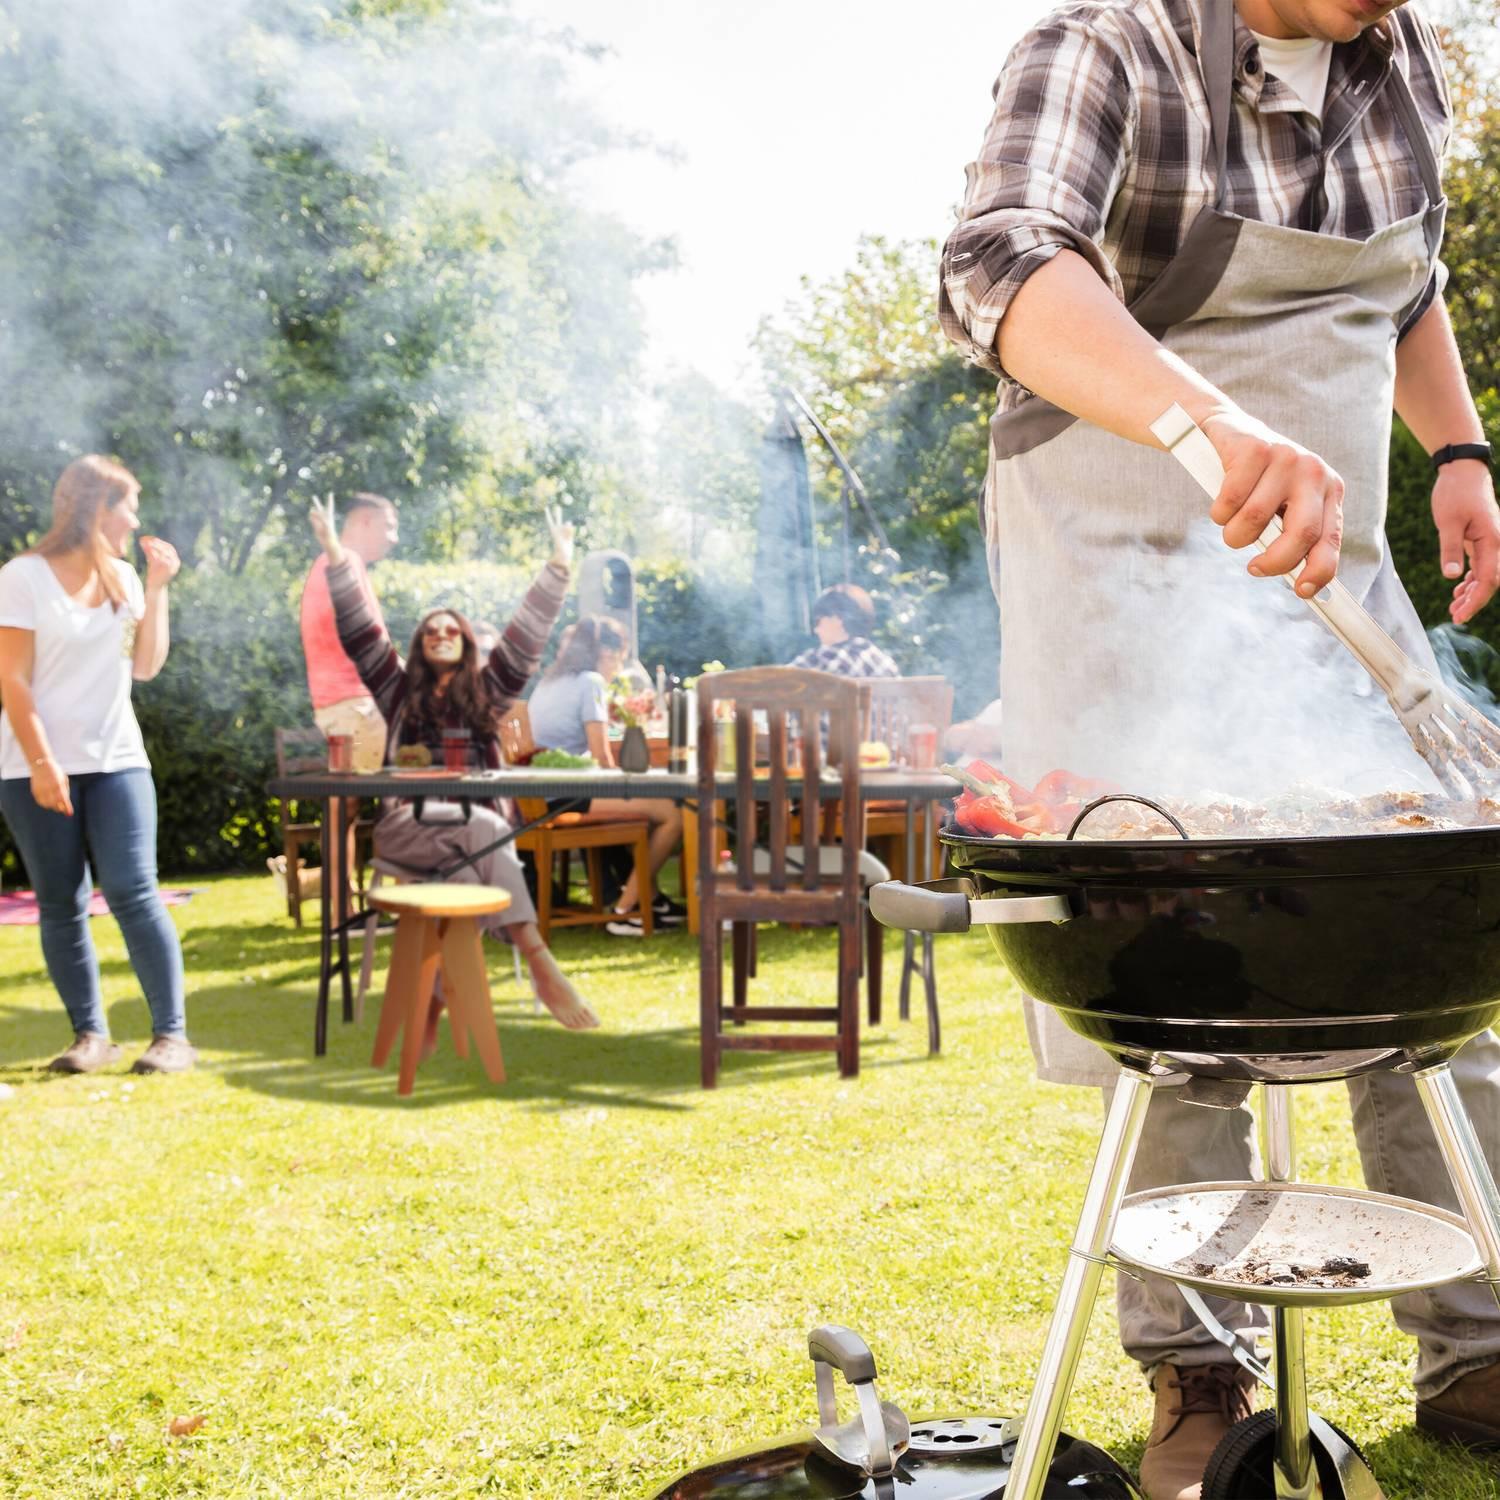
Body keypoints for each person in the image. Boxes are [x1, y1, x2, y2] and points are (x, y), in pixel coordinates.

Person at [941, 1, 1500, 1494]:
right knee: (1180, 985)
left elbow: (1409, 281)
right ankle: (1193, 1369)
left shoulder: (1401, 65)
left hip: (1334, 575)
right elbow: (1001, 264)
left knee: (1429, 922)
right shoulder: (1104, 46)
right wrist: (1211, 423)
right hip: (1121, 566)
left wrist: (1456, 450)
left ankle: (1481, 1347)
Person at [308, 497, 598, 1032]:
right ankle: (538, 960)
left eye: (452, 631)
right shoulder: (396, 692)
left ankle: (436, 1002)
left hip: (475, 840)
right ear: (418, 646)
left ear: (467, 645)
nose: (441, 635)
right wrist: (335, 555)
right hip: (407, 831)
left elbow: (525, 640)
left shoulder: (486, 694)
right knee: (486, 831)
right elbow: (359, 635)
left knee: (473, 852)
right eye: (430, 631)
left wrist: (558, 568)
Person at [0, 457, 194, 1075]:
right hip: (33, 764)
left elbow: (144, 666)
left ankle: (171, 1038)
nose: (135, 518)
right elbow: (12, 678)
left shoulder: (124, 578)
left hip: (117, 761)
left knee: (135, 891)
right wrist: (41, 762)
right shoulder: (22, 578)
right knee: (61, 900)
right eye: (127, 505)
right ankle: (91, 1036)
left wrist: (158, 587)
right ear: (93, 508)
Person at [527, 616, 686, 937]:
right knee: (673, 815)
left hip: (538, 796)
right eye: (620, 655)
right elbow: (602, 758)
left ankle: (651, 901)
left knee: (646, 812)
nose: (618, 665)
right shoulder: (590, 682)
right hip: (567, 795)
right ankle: (625, 911)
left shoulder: (548, 683)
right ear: (605, 653)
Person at [300, 492, 399, 772]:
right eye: (389, 526)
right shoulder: (344, 564)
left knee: (345, 798)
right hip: (357, 706)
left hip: (336, 706)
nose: (394, 537)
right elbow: (371, 642)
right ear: (366, 521)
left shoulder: (328, 564)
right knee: (405, 786)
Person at [786, 584, 899, 678]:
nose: (816, 630)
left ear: (837, 619)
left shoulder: (820, 660)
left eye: (818, 621)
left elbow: (774, 682)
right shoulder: (885, 664)